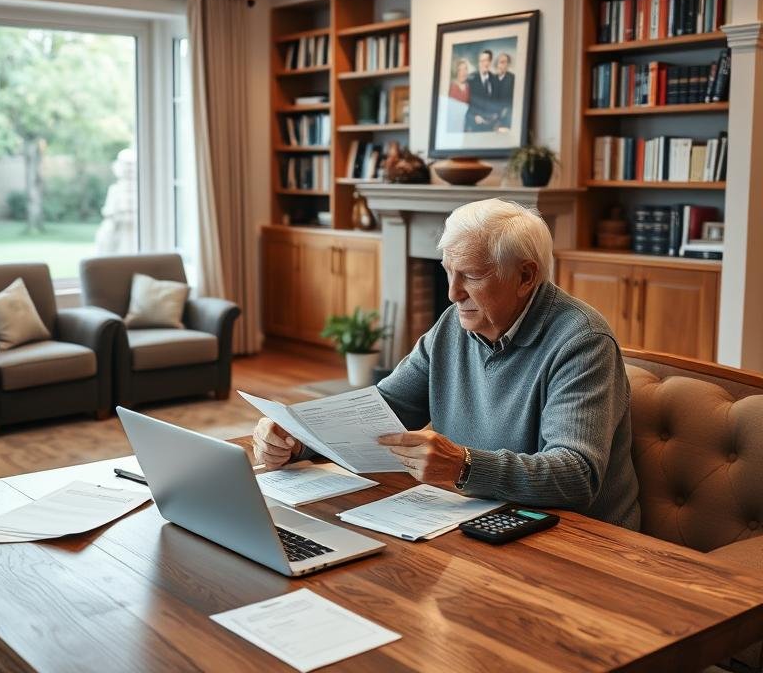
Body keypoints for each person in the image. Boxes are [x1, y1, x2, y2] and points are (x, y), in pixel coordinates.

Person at [253, 198, 640, 529]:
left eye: (470, 276)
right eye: (447, 273)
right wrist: (296, 435)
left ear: (525, 276)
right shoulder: (453, 325)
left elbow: (576, 476)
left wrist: (465, 466)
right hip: (475, 516)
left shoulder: (582, 341)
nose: (453, 294)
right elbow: (382, 409)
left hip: (579, 539)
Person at [464, 49, 500, 132]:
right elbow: (466, 104)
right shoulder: (471, 79)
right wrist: (474, 117)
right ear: (478, 63)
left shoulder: (495, 79)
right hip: (475, 125)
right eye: (481, 61)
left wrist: (496, 115)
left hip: (491, 125)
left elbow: (498, 102)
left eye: (486, 60)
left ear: (490, 62)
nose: (484, 64)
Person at [446, 58, 471, 133]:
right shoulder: (451, 87)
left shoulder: (469, 87)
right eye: (460, 70)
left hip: (466, 125)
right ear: (457, 72)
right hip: (453, 125)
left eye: (465, 69)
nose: (463, 72)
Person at [493, 52, 515, 131]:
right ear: (497, 64)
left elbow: (513, 101)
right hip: (493, 115)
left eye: (506, 62)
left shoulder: (512, 79)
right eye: (501, 62)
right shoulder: (493, 79)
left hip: (507, 116)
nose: (503, 65)